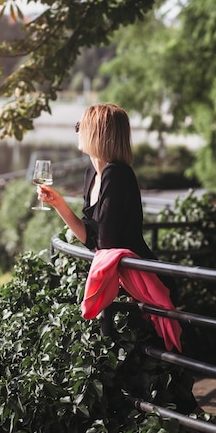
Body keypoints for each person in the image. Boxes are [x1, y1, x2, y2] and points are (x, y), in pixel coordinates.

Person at [36, 102, 177, 302]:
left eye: (80, 126)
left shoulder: (117, 174)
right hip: (125, 281)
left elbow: (105, 243)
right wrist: (59, 204)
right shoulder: (92, 174)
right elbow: (91, 240)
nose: (77, 131)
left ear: (97, 133)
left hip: (143, 283)